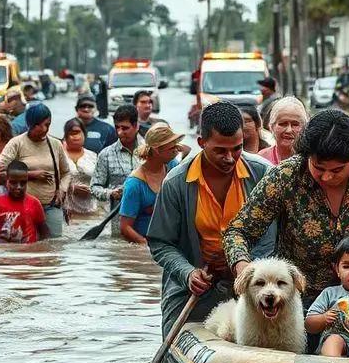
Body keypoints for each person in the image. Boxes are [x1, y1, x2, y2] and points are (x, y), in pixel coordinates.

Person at [224, 108, 349, 326]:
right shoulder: (285, 176)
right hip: (305, 307)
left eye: (338, 170)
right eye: (318, 168)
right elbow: (238, 231)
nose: (327, 177)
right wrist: (243, 268)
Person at [148, 101, 278, 335]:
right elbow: (160, 243)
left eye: (237, 148)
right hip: (194, 288)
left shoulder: (263, 173)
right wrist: (187, 273)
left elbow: (269, 239)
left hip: (253, 282)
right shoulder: (176, 182)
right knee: (173, 351)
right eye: (220, 150)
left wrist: (246, 272)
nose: (230, 158)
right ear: (201, 142)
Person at [0, 102, 71, 237]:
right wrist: (31, 175)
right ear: (30, 125)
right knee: (24, 246)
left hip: (51, 206)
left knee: (53, 247)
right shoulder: (16, 143)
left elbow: (66, 173)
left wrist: (62, 190)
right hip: (23, 206)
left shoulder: (55, 144)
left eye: (47, 124)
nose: (44, 129)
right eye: (38, 125)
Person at [119, 122, 183, 244]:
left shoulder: (172, 166)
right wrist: (145, 246)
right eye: (172, 148)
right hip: (148, 240)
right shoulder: (134, 184)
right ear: (157, 150)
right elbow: (125, 227)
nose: (176, 150)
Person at [92, 104, 145, 235]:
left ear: (136, 126)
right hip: (119, 223)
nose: (120, 132)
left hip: (148, 218)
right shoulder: (106, 154)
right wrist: (111, 193)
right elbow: (94, 188)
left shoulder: (151, 151)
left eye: (125, 128)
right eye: (117, 127)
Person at [0, 160, 52, 243]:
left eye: (23, 183)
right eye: (13, 183)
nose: (18, 187)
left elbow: (44, 233)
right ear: (7, 180)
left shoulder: (34, 203)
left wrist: (41, 250)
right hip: (2, 253)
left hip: (28, 253)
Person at [61, 119, 98, 216]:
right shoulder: (59, 155)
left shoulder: (93, 156)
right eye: (72, 133)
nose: (75, 137)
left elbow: (101, 182)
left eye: (78, 133)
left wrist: (93, 189)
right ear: (65, 136)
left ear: (84, 134)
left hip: (91, 210)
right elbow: (51, 181)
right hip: (66, 210)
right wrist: (71, 188)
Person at [257, 96, 307, 165]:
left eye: (295, 124)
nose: (289, 130)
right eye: (283, 124)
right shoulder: (261, 159)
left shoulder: (311, 160)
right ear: (271, 126)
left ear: (304, 127)